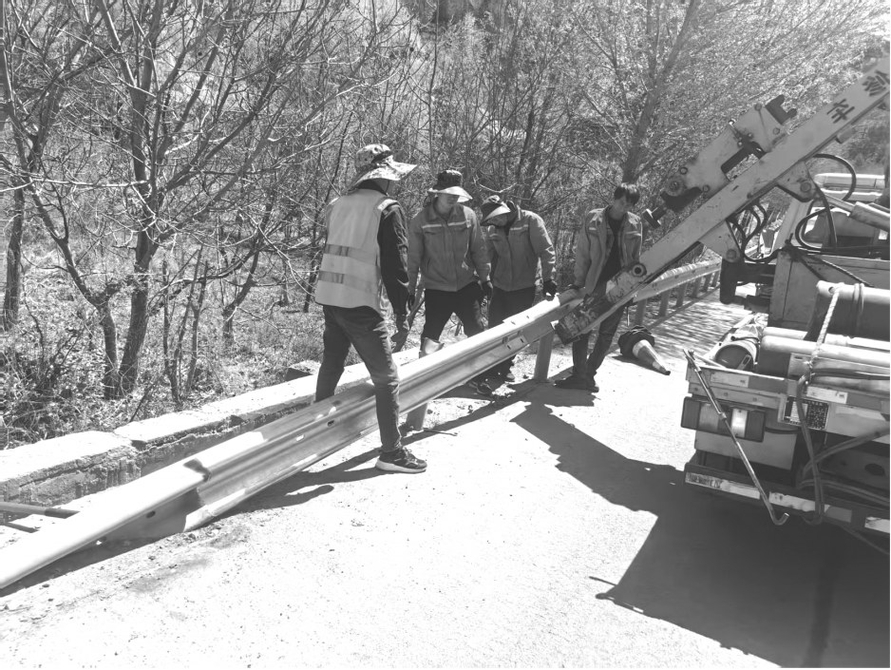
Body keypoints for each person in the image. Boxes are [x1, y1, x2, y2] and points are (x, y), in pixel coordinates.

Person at [314, 143, 426, 474]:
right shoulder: (386, 209)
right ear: (384, 176)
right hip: (361, 305)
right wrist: (402, 313)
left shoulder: (337, 204)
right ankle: (391, 452)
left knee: (331, 364)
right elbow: (396, 267)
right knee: (387, 378)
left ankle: (316, 434)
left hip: (330, 298)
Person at [407, 169, 493, 393]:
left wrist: (485, 278)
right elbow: (413, 258)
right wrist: (409, 288)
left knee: (477, 330)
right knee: (431, 334)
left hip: (466, 284)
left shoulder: (468, 215)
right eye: (448, 193)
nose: (453, 198)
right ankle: (424, 380)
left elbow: (478, 249)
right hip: (437, 288)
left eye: (456, 193)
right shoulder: (420, 221)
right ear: (437, 193)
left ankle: (478, 377)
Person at [555, 182, 643, 393]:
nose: (624, 207)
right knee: (583, 330)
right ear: (614, 199)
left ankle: (589, 375)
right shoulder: (593, 218)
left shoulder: (635, 223)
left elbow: (636, 258)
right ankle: (579, 375)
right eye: (622, 202)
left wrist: (633, 289)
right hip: (594, 282)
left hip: (621, 285)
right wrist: (579, 281)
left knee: (606, 334)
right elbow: (583, 252)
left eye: (629, 205)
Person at [480, 194, 557, 381]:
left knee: (516, 330)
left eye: (496, 218)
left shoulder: (530, 221)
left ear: (504, 210)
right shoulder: (493, 229)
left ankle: (506, 365)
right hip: (500, 285)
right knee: (495, 327)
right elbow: (486, 257)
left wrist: (549, 278)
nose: (494, 222)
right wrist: (483, 280)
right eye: (491, 220)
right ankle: (492, 365)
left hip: (525, 285)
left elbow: (546, 251)